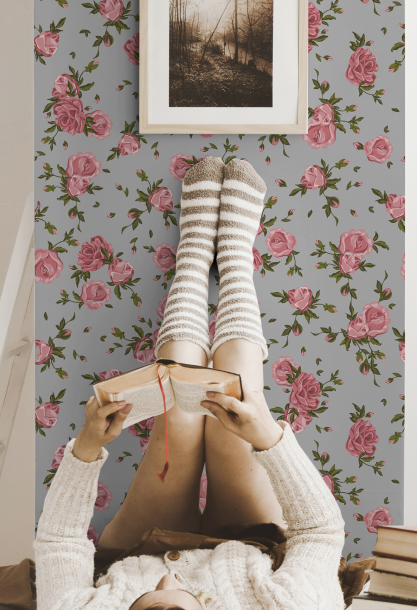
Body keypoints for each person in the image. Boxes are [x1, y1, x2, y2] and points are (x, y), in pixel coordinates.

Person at [33, 157, 346, 610]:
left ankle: (194, 257)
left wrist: (86, 447)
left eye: (144, 601)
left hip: (138, 544)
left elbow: (60, 541)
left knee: (178, 416)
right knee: (233, 409)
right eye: (175, 598)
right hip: (249, 540)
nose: (167, 580)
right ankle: (235, 260)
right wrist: (268, 436)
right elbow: (320, 532)